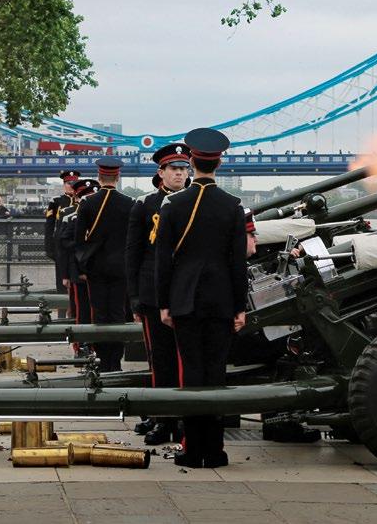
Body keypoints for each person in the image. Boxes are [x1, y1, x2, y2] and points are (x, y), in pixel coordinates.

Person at [155, 128, 247, 468]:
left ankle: (193, 450)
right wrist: (240, 306)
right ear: (219, 163)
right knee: (216, 374)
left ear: (191, 162)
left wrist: (164, 303)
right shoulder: (233, 206)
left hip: (184, 300)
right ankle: (217, 449)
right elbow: (238, 263)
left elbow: (163, 261)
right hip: (222, 301)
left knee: (191, 374)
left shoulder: (174, 205)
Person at [125, 143, 191, 445]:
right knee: (160, 359)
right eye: (173, 168)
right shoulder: (145, 204)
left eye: (183, 168)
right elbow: (134, 253)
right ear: (160, 172)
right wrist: (135, 297)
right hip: (153, 293)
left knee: (188, 358)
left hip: (187, 292)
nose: (179, 173)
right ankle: (163, 418)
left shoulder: (195, 201)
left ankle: (185, 418)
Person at [74, 157, 134, 372]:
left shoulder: (88, 203)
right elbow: (132, 240)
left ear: (99, 177)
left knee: (98, 314)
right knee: (118, 313)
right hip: (121, 267)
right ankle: (115, 362)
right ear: (117, 177)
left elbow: (79, 239)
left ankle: (101, 361)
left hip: (96, 267)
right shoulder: (129, 203)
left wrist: (83, 266)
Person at [58, 178, 100, 335]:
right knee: (81, 311)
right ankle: (81, 344)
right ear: (77, 198)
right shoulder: (71, 217)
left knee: (99, 311)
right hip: (77, 271)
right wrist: (65, 274)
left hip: (99, 271)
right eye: (84, 196)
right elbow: (63, 247)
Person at [45, 170, 80, 291]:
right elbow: (49, 226)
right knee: (62, 283)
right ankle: (62, 309)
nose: (71, 185)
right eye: (68, 183)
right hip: (60, 245)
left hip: (76, 244)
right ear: (64, 184)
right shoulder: (56, 201)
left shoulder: (82, 201)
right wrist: (49, 248)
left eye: (74, 182)